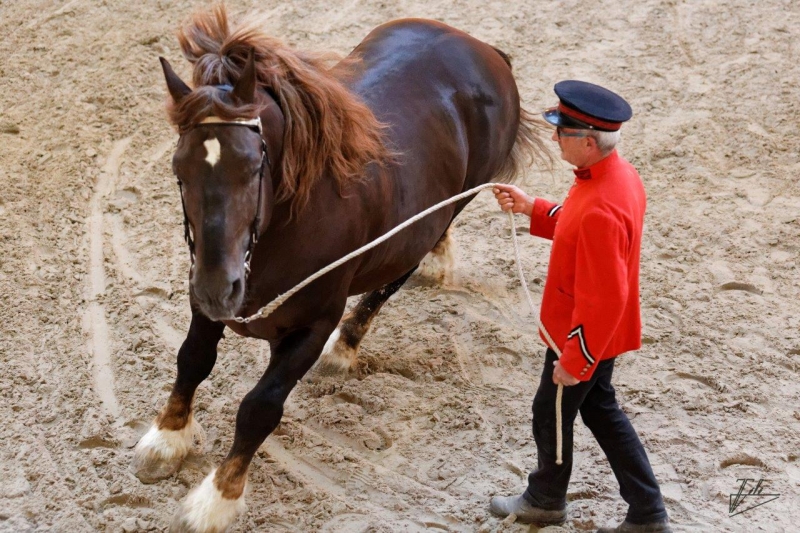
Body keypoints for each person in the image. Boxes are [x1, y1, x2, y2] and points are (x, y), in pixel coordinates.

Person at [489, 80, 671, 532]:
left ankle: (546, 498)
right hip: (597, 334)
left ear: (588, 141)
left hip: (583, 334)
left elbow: (606, 297)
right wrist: (534, 209)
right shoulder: (615, 176)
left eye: (562, 133)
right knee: (600, 411)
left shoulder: (600, 208)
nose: (555, 138)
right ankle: (647, 512)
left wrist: (576, 360)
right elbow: (577, 228)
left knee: (549, 411)